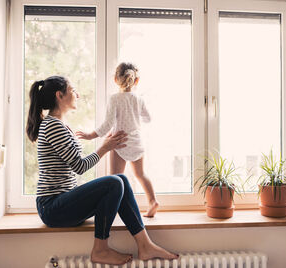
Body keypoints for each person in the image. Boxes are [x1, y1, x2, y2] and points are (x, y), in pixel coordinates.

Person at [26, 75, 178, 265]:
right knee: (114, 182)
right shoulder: (53, 126)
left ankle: (145, 245)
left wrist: (107, 144)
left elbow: (74, 164)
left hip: (62, 202)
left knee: (120, 179)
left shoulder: (59, 125)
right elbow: (79, 166)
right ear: (60, 95)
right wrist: (105, 147)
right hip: (52, 208)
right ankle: (100, 249)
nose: (77, 94)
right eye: (73, 90)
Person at [76, 63, 159, 217]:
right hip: (137, 142)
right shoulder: (139, 99)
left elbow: (107, 125)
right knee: (141, 174)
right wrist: (135, 115)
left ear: (115, 79)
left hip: (119, 142)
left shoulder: (114, 99)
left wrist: (90, 135)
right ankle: (153, 201)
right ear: (136, 81)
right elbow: (148, 118)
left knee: (115, 179)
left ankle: (116, 209)